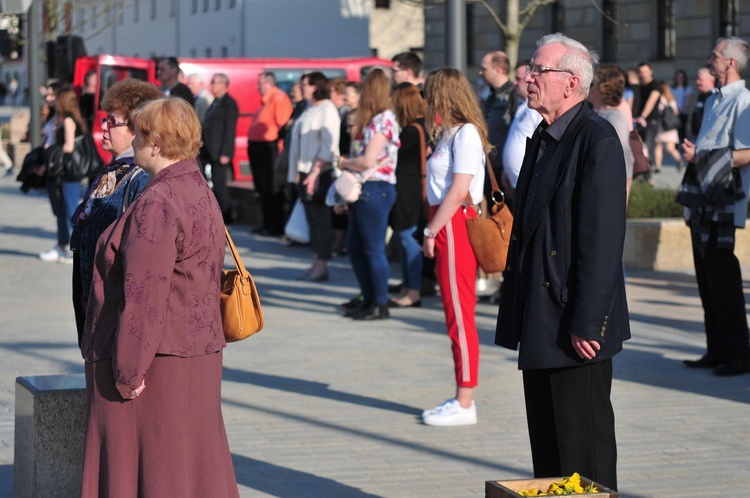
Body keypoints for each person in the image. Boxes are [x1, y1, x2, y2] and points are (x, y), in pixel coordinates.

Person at [79, 97, 239, 497]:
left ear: (156, 142)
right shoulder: (196, 187)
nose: (133, 142)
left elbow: (144, 294)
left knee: (150, 468)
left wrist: (129, 370)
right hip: (194, 350)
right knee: (191, 465)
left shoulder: (159, 201)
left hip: (157, 359)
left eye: (140, 134)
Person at [495, 34, 629, 491]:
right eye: (531, 69)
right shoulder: (544, 136)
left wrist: (588, 321)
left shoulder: (596, 139)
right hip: (541, 318)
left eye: (538, 69)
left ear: (571, 82)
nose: (528, 77)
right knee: (549, 455)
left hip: (576, 326)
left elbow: (603, 241)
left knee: (583, 453)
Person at [69, 78, 162, 346]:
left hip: (112, 296)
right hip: (92, 287)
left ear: (137, 129)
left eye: (112, 121)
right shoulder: (115, 169)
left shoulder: (140, 175)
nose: (103, 126)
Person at [419, 67, 489, 426]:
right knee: (454, 313)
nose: (425, 99)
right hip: (447, 221)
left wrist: (431, 230)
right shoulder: (451, 133)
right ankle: (462, 395)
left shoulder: (466, 135)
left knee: (459, 315)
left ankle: (465, 401)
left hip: (455, 224)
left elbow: (459, 191)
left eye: (429, 93)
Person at [681, 36, 750, 377]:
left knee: (723, 279)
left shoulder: (744, 100)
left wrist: (701, 157)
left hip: (724, 199)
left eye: (716, 55)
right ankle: (717, 349)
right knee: (706, 279)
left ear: (731, 63)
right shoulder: (712, 100)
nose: (711, 59)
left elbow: (748, 153)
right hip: (701, 197)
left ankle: (738, 354)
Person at [338, 69, 399, 319]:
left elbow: (367, 161)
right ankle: (369, 297)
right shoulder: (375, 120)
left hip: (377, 188)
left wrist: (344, 163)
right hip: (369, 188)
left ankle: (379, 302)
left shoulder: (384, 120)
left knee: (372, 249)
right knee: (355, 247)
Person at [287, 72, 340, 281]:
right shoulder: (309, 107)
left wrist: (316, 171)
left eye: (305, 84)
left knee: (320, 220)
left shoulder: (328, 109)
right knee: (312, 220)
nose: (301, 88)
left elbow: (329, 145)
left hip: (319, 172)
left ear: (315, 86)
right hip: (304, 171)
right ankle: (315, 261)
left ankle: (322, 265)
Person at [39, 86, 87, 264]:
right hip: (61, 172)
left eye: (56, 97)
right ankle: (61, 246)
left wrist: (50, 151)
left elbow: (68, 146)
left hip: (68, 172)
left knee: (69, 210)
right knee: (61, 210)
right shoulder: (59, 119)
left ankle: (75, 249)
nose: (54, 101)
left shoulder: (68, 120)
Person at [388, 82, 426, 309]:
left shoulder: (412, 130)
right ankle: (409, 286)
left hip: (407, 190)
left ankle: (413, 290)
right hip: (409, 188)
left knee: (407, 239)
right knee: (405, 239)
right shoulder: (419, 127)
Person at [247, 72, 293, 236]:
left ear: (269, 83)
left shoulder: (278, 98)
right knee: (262, 187)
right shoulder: (265, 100)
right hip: (259, 147)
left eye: (260, 83)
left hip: (269, 148)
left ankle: (275, 225)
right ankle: (267, 223)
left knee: (272, 187)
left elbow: (283, 126)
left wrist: (280, 149)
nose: (258, 86)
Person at [590, 66, 634, 201]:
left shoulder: (614, 118)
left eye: (591, 84)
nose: (587, 88)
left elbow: (622, 156)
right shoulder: (598, 114)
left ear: (600, 89)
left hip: (607, 190)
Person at [201, 73, 239, 225]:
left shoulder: (229, 103)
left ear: (223, 84)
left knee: (220, 183)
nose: (211, 85)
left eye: (214, 82)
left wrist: (226, 152)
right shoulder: (215, 102)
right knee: (213, 183)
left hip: (220, 151)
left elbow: (230, 130)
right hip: (209, 149)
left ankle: (227, 217)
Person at [502, 59, 543, 194]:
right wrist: (507, 170)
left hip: (529, 186)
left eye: (519, 79)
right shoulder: (523, 106)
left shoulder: (538, 109)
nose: (515, 83)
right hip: (515, 183)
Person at [480, 51, 517, 186]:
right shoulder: (491, 96)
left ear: (498, 70)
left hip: (503, 171)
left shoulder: (513, 95)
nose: (480, 72)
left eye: (484, 69)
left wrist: (507, 168)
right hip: (489, 167)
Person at [635, 62, 661, 176]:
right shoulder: (639, 86)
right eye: (641, 72)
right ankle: (643, 172)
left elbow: (651, 101)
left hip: (651, 121)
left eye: (645, 72)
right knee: (639, 146)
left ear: (650, 71)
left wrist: (643, 116)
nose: (643, 74)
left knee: (647, 146)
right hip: (638, 121)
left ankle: (648, 175)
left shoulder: (655, 85)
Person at [654, 82, 684, 173]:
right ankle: (678, 160)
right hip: (671, 127)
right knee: (669, 147)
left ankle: (658, 167)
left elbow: (657, 111)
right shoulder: (671, 99)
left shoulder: (659, 99)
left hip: (662, 126)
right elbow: (676, 112)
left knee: (659, 146)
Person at [686, 67, 717, 141]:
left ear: (710, 81)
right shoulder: (701, 95)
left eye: (700, 79)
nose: (697, 82)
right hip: (697, 137)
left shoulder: (714, 96)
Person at [671, 69, 694, 145]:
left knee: (683, 130)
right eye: (678, 77)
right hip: (674, 112)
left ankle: (684, 144)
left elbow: (689, 100)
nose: (680, 79)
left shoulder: (687, 88)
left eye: (681, 78)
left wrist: (682, 109)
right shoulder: (672, 88)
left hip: (683, 112)